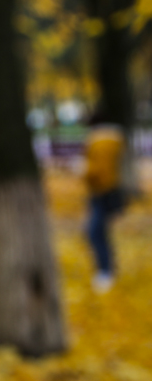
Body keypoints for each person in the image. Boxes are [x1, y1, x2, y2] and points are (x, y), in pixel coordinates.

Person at [83, 113, 127, 292]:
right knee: (100, 231)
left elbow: (99, 170)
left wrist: (84, 171)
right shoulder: (115, 139)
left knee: (94, 232)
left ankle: (105, 272)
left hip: (102, 192)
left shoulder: (98, 141)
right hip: (111, 191)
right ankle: (107, 269)